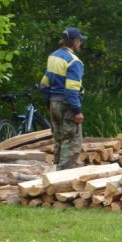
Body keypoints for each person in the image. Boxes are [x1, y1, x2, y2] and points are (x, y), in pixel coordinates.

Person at [40, 27, 87, 170]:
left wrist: (48, 102)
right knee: (72, 142)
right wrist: (77, 111)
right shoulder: (74, 62)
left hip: (54, 102)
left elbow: (44, 83)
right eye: (79, 41)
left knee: (59, 139)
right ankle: (62, 175)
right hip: (67, 105)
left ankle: (55, 169)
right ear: (74, 42)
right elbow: (71, 89)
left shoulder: (53, 57)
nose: (80, 44)